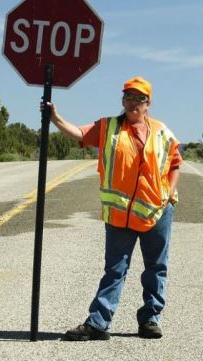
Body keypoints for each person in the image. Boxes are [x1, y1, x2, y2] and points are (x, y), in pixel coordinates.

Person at [41, 76, 182, 340]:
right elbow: (80, 134)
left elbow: (175, 164)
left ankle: (150, 319)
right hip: (119, 216)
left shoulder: (162, 131)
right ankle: (98, 323)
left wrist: (169, 194)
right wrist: (55, 119)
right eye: (128, 97)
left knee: (156, 267)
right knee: (115, 269)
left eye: (139, 98)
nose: (132, 102)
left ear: (148, 103)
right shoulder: (108, 128)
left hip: (157, 212)